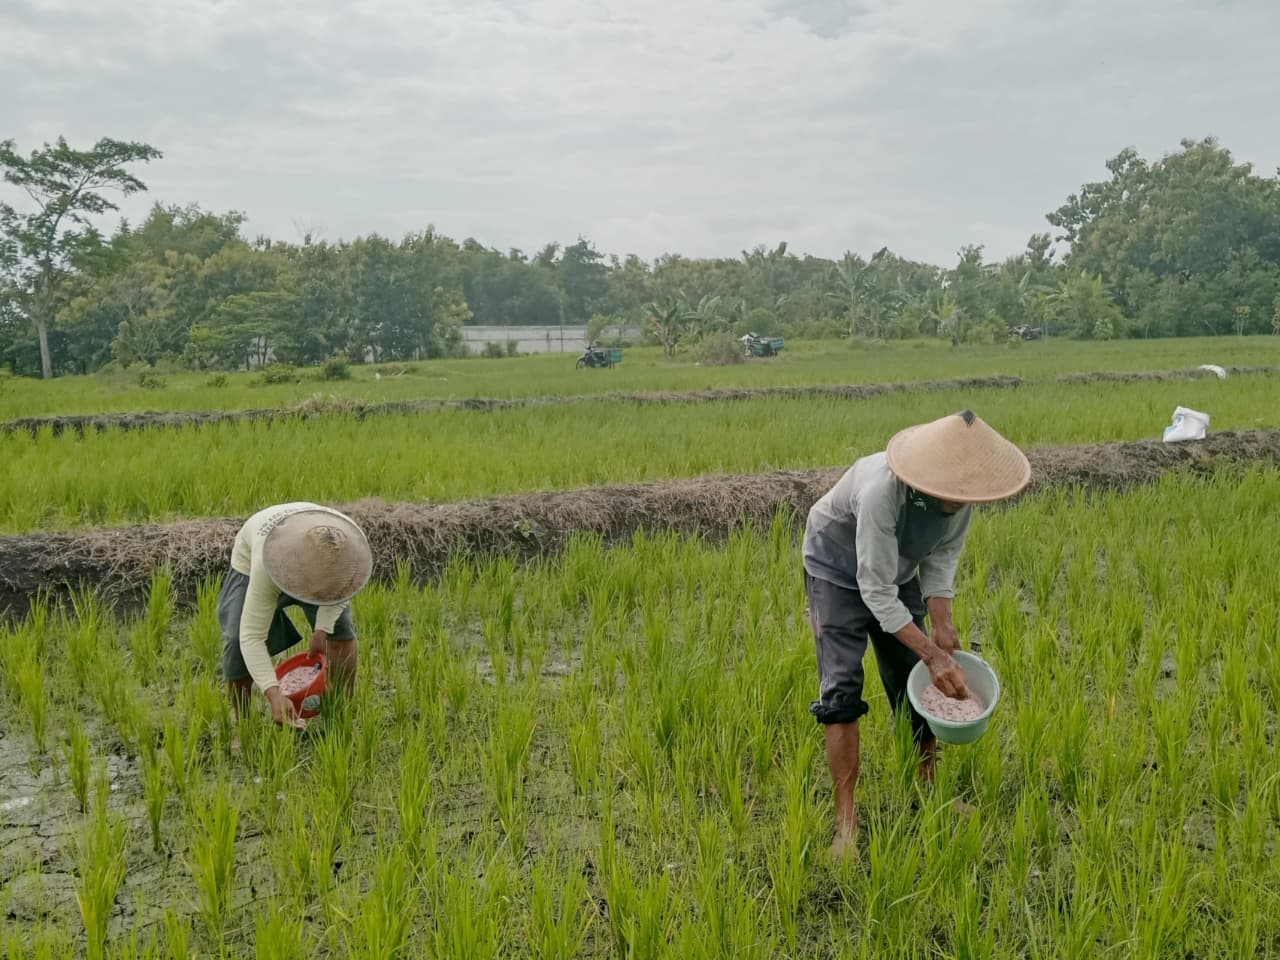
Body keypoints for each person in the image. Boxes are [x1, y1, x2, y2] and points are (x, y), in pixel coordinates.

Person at [802, 410, 1031, 856]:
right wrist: (932, 653)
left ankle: (925, 789)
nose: (957, 501)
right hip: (836, 567)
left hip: (894, 567)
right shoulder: (881, 492)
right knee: (843, 686)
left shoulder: (962, 499)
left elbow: (942, 558)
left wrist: (942, 625)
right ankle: (846, 822)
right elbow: (875, 589)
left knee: (910, 678)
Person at [217, 502, 373, 736]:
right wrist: (274, 693)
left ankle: (341, 714)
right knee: (237, 641)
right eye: (317, 583)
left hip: (321, 558)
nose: (319, 589)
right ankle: (244, 727)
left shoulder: (351, 549)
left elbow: (343, 591)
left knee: (340, 633)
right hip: (254, 562)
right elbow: (252, 636)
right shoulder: (266, 563)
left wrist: (322, 629)